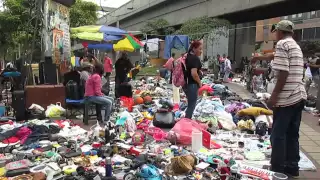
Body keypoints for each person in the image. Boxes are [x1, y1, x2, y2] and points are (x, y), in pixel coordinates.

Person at [253, 20, 306, 178]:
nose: (275, 35)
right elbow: (275, 57)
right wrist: (260, 57)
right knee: (292, 134)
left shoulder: (282, 44)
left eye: (275, 32)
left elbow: (283, 73)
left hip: (287, 98)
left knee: (278, 134)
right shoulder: (295, 46)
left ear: (280, 32)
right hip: (299, 95)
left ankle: (277, 169)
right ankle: (292, 167)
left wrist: (273, 97)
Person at [185, 41, 203, 119]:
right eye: (200, 49)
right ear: (194, 48)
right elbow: (194, 74)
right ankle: (186, 122)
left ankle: (186, 120)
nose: (201, 51)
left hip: (186, 83)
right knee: (191, 105)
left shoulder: (188, 56)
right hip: (192, 84)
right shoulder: (194, 58)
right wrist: (200, 83)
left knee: (190, 104)